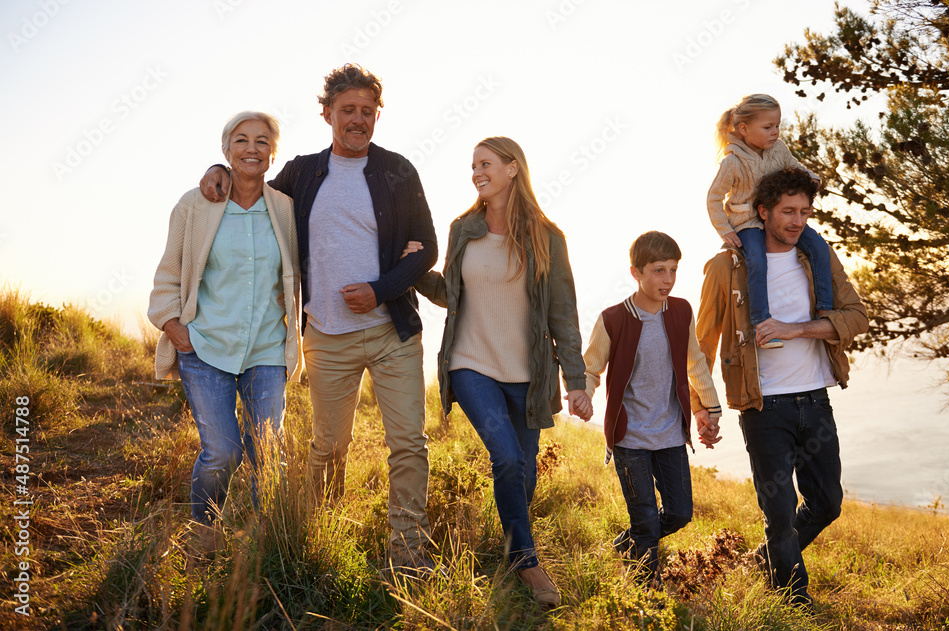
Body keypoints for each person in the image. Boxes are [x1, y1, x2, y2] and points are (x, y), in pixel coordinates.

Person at [199, 64, 438, 571]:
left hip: (392, 333)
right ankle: (322, 531)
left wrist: (380, 289)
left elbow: (427, 251)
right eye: (347, 110)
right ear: (327, 112)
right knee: (328, 446)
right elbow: (251, 186)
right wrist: (217, 172)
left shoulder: (398, 171)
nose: (357, 119)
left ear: (377, 115)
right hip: (326, 336)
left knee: (408, 446)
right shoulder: (303, 173)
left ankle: (408, 549)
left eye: (366, 111)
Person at [415, 136, 591, 607]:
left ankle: (512, 546)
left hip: (528, 375)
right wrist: (412, 269)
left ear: (513, 169)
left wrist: (576, 382)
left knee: (524, 473)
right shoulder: (462, 229)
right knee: (508, 459)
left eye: (485, 163)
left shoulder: (547, 237)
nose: (476, 171)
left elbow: (563, 315)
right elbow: (452, 292)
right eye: (473, 164)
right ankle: (529, 564)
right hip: (471, 363)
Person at [696, 168, 869, 608]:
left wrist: (797, 330)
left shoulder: (817, 258)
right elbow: (702, 342)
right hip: (762, 406)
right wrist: (703, 407)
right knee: (778, 514)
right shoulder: (725, 267)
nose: (797, 221)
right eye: (788, 211)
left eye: (805, 212)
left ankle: (766, 560)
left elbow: (857, 317)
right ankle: (793, 599)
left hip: (816, 398)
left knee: (828, 502)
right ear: (762, 211)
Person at [148, 111, 302, 555]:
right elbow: (169, 273)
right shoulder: (194, 206)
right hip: (206, 347)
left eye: (261, 141)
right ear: (225, 150)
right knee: (223, 453)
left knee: (266, 454)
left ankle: (263, 545)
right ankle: (205, 536)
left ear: (273, 154)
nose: (251, 148)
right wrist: (174, 327)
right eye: (240, 140)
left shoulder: (286, 209)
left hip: (267, 349)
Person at [581, 231, 722, 583]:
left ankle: (630, 544)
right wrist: (583, 394)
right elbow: (590, 368)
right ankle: (648, 591)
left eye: (673, 270)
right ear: (636, 273)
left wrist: (711, 410)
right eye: (659, 270)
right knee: (644, 516)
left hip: (671, 434)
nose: (668, 280)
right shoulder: (613, 319)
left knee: (680, 513)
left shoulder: (681, 311)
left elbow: (695, 364)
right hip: (630, 438)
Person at [707, 94, 833, 349]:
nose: (775, 132)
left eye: (777, 125)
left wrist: (811, 177)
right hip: (748, 221)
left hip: (777, 217)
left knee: (819, 248)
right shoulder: (732, 162)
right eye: (768, 127)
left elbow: (794, 166)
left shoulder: (778, 149)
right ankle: (762, 323)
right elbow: (714, 199)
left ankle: (825, 310)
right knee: (756, 258)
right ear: (744, 129)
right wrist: (725, 230)